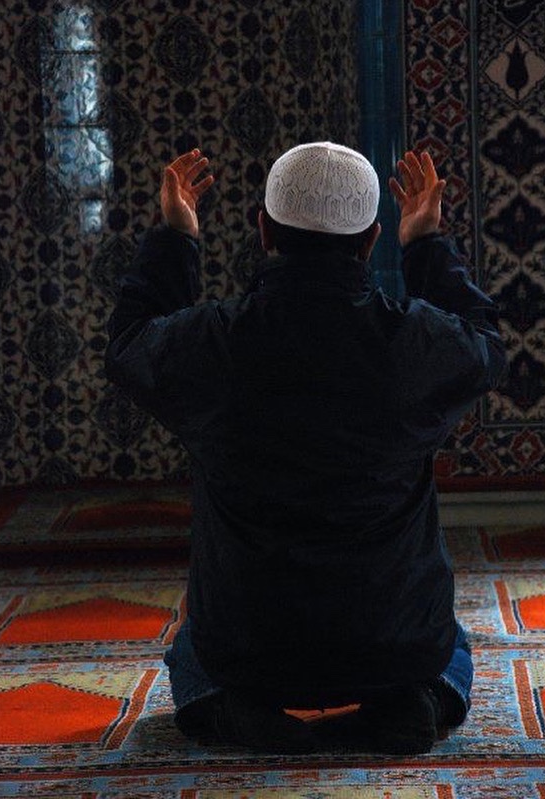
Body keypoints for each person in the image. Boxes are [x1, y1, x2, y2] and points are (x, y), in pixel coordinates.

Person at [105, 142, 507, 755]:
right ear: (371, 241)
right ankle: (413, 701)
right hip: (392, 645)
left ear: (263, 231)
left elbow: (129, 344)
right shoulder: (417, 342)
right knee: (448, 642)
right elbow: (486, 346)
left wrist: (175, 239)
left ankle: (233, 706)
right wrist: (426, 245)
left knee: (190, 647)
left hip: (249, 649)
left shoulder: (211, 341)